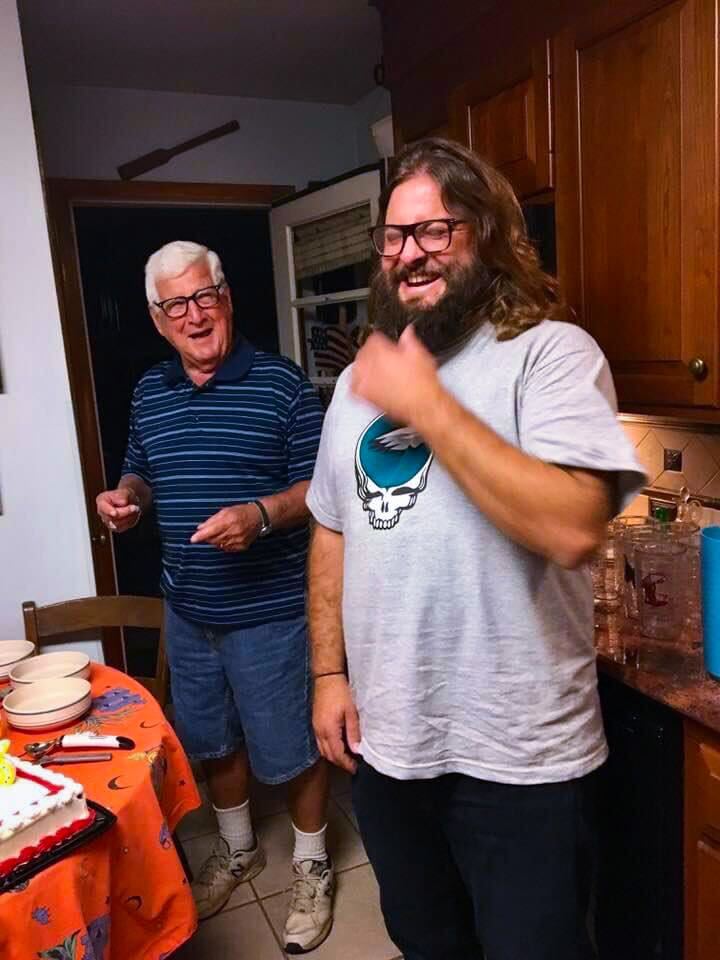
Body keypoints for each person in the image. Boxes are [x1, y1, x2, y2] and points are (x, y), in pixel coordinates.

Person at [306, 139, 646, 960]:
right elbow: (330, 526)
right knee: (428, 945)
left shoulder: (551, 354)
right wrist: (327, 674)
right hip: (391, 749)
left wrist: (427, 403)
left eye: (433, 229)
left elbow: (572, 526)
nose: (408, 253)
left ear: (487, 233)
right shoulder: (365, 383)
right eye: (393, 237)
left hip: (522, 760)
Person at [96, 240, 334, 954]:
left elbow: (318, 493)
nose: (194, 315)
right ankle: (237, 849)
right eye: (177, 305)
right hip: (188, 610)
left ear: (225, 298)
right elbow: (139, 471)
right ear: (157, 318)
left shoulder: (282, 385)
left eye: (204, 297)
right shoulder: (149, 391)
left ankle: (313, 864)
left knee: (290, 749)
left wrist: (260, 516)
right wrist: (127, 500)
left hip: (269, 611)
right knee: (211, 739)